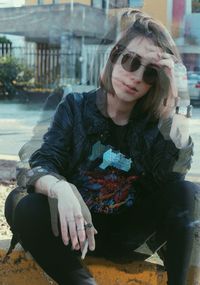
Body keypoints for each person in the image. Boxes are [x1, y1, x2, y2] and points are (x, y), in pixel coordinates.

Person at [4, 9, 199, 285]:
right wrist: (61, 188)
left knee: (188, 192)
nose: (135, 77)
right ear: (115, 56)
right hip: (74, 230)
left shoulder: (156, 125)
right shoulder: (74, 107)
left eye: (151, 73)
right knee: (24, 205)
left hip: (126, 235)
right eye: (131, 61)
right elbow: (38, 163)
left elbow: (172, 189)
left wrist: (176, 112)